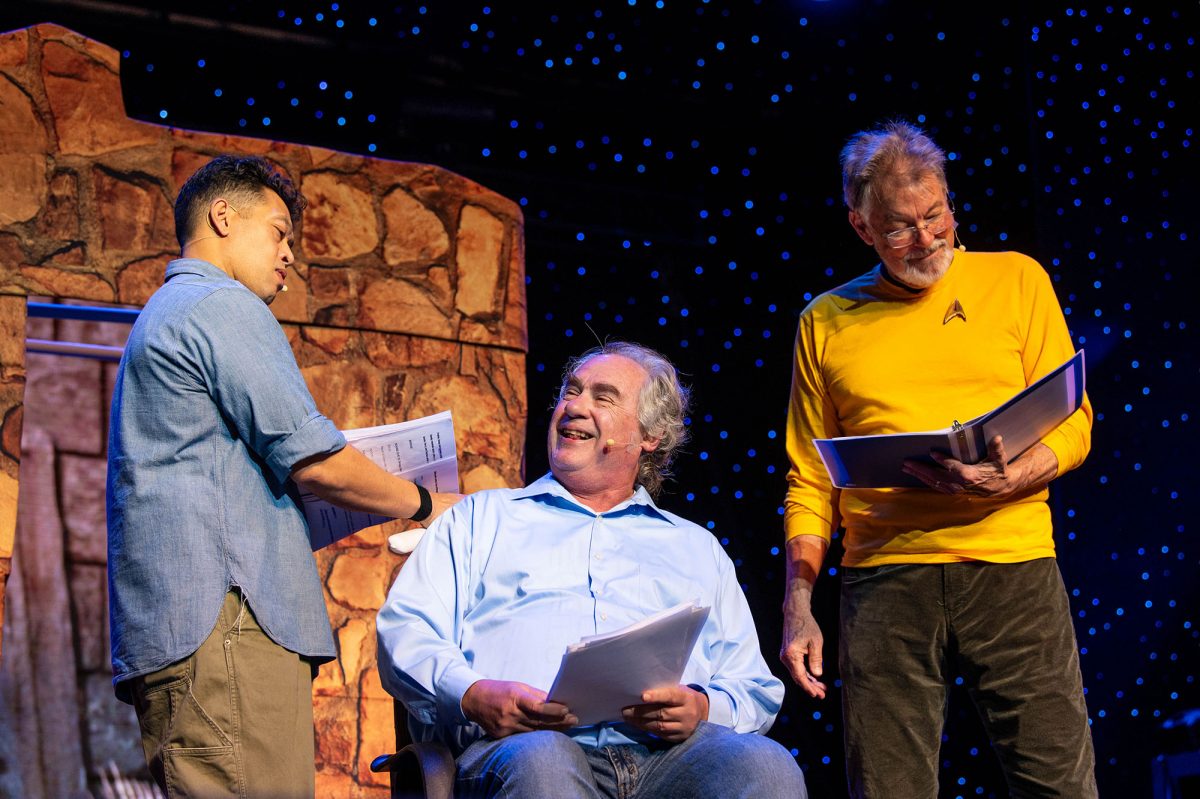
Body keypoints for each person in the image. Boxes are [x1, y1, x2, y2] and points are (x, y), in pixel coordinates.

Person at [106, 155, 460, 798]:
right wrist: (428, 503)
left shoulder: (169, 311)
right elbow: (315, 460)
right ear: (222, 217)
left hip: (196, 635)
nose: (290, 253)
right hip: (226, 628)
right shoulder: (218, 304)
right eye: (278, 232)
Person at [780, 121, 1097, 798]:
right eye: (899, 227)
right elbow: (809, 478)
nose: (926, 239)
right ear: (861, 227)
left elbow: (1074, 421)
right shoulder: (825, 320)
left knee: (1060, 787)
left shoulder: (1017, 279)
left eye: (935, 215)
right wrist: (798, 603)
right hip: (884, 581)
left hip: (1013, 568)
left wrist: (1014, 476)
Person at [377, 341, 807, 798]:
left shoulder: (696, 547)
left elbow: (752, 686)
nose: (575, 406)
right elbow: (406, 630)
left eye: (603, 397)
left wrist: (702, 707)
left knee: (767, 766)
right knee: (544, 759)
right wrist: (473, 693)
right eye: (571, 391)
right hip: (520, 749)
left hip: (668, 761)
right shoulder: (481, 519)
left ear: (649, 436)